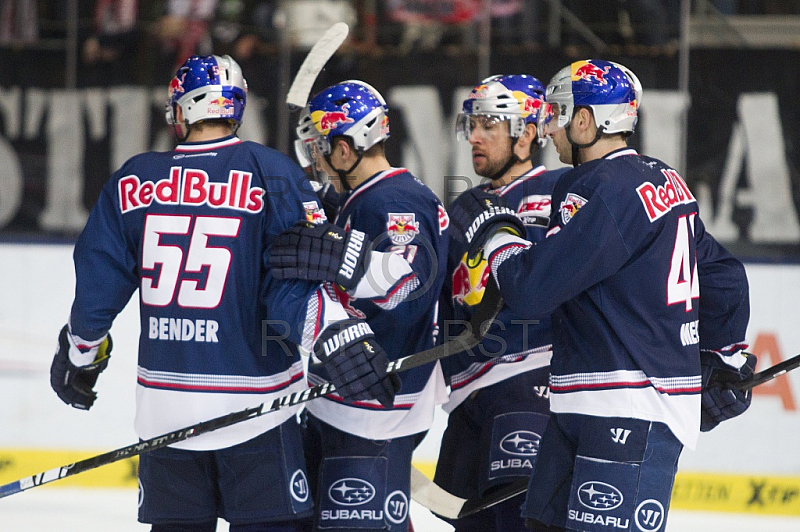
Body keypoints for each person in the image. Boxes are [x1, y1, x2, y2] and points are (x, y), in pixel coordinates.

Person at [49, 55, 398, 532]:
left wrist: (81, 353)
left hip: (164, 414)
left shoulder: (134, 178)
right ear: (235, 106)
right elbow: (294, 286)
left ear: (179, 111)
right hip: (256, 411)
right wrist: (337, 331)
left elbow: (96, 288)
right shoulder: (269, 170)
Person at [447, 59, 754, 532]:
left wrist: (497, 232)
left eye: (557, 115)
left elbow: (530, 290)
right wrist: (723, 354)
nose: (548, 128)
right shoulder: (660, 180)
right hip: (581, 403)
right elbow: (724, 277)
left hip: (630, 406)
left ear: (586, 121)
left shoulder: (606, 189)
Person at [269, 80, 449, 532]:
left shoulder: (396, 200)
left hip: (375, 405)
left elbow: (407, 281)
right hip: (350, 398)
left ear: (345, 150)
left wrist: (341, 256)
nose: (313, 161)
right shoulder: (362, 199)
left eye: (318, 150)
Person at [432, 74, 568, 532]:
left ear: (527, 132)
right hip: (468, 393)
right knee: (466, 522)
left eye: (489, 125)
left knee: (515, 517)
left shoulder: (560, 191)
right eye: (473, 125)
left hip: (526, 380)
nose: (474, 136)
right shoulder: (461, 208)